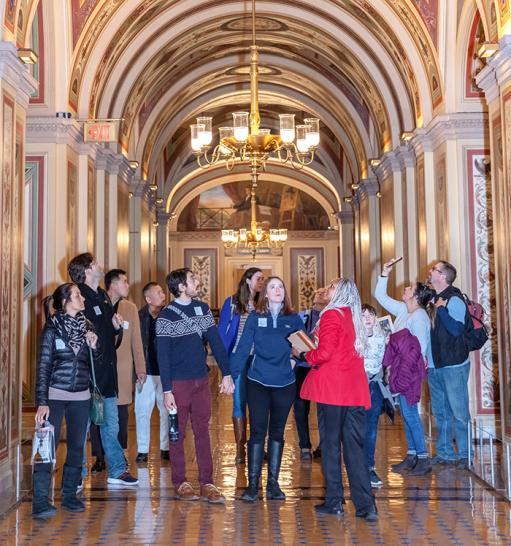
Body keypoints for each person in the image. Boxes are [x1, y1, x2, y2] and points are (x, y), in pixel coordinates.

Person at [296, 278, 377, 521]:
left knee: (330, 445)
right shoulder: (354, 317)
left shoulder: (332, 314)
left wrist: (303, 353)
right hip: (354, 388)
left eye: (331, 286)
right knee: (355, 448)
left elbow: (325, 353)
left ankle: (335, 502)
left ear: (339, 292)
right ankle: (366, 506)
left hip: (333, 389)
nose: (326, 289)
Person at [157, 268, 234, 503]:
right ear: (181, 287)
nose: (197, 282)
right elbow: (163, 355)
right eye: (192, 279)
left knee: (203, 431)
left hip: (201, 380)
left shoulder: (202, 309)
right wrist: (167, 389)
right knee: (176, 433)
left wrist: (227, 373)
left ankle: (207, 483)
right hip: (178, 385)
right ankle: (180, 481)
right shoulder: (166, 316)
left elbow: (216, 344)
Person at [230, 276, 304, 502]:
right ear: (265, 294)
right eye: (272, 287)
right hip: (258, 382)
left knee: (277, 433)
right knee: (257, 432)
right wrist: (230, 376)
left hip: (285, 384)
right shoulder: (255, 317)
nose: (277, 290)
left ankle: (273, 484)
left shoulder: (294, 319)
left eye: (280, 286)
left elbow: (304, 349)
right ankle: (253, 486)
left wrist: (294, 362)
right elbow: (243, 348)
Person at [68, 253, 138, 485]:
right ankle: (76, 475)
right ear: (88, 270)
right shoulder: (77, 296)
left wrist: (116, 328)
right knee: (82, 426)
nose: (101, 265)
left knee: (111, 424)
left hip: (107, 373)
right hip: (87, 376)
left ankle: (117, 470)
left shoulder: (101, 296)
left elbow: (109, 337)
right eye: (96, 263)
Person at [32, 283, 99, 518]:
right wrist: (42, 401)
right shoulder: (51, 330)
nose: (83, 299)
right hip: (54, 396)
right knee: (45, 449)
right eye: (78, 295)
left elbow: (93, 363)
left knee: (77, 447)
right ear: (65, 302)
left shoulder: (87, 326)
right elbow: (43, 367)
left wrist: (94, 346)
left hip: (81, 396)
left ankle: (69, 495)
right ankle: (40, 501)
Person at [375, 259, 435, 476]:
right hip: (399, 369)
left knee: (411, 414)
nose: (406, 288)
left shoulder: (419, 316)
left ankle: (423, 458)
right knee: (406, 414)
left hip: (409, 371)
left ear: (416, 296)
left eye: (410, 288)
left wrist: (402, 375)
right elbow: (380, 297)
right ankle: (412, 456)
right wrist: (385, 273)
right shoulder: (404, 310)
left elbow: (417, 350)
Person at [427, 261, 472, 469]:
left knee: (459, 411)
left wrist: (442, 311)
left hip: (454, 365)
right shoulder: (435, 298)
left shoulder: (454, 299)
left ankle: (464, 454)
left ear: (443, 276)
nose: (430, 271)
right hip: (436, 365)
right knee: (441, 412)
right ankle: (444, 453)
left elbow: (456, 330)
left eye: (434, 270)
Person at [218, 267, 264, 464]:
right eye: (258, 278)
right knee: (239, 402)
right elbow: (222, 332)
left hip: (260, 359)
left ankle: (259, 446)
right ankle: (240, 448)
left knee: (260, 404)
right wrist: (224, 364)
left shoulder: (265, 303)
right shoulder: (232, 302)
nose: (262, 282)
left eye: (263, 279)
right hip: (238, 358)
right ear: (247, 280)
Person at [105, 269, 146, 453]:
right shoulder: (98, 305)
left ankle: (120, 453)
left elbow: (136, 340)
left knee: (122, 412)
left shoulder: (130, 308)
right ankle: (99, 456)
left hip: (122, 369)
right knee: (101, 413)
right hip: (102, 369)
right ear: (113, 285)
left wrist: (141, 369)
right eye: (124, 281)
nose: (128, 285)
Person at [135, 282, 169, 463]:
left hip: (165, 372)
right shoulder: (138, 317)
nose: (163, 294)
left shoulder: (170, 315)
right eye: (159, 292)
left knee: (167, 410)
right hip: (145, 371)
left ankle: (166, 448)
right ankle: (142, 450)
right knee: (142, 411)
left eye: (162, 291)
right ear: (148, 299)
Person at [294, 287, 329, 461]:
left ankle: (324, 444)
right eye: (318, 292)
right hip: (303, 364)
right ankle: (304, 445)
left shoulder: (331, 316)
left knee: (323, 407)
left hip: (323, 367)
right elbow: (293, 335)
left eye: (324, 292)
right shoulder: (302, 316)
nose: (320, 293)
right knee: (300, 406)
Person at [361, 304, 387, 488]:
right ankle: (356, 467)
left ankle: (368, 468)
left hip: (374, 386)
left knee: (371, 430)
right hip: (355, 387)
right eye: (363, 315)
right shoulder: (352, 338)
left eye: (371, 314)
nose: (368, 317)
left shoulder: (383, 337)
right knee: (354, 430)